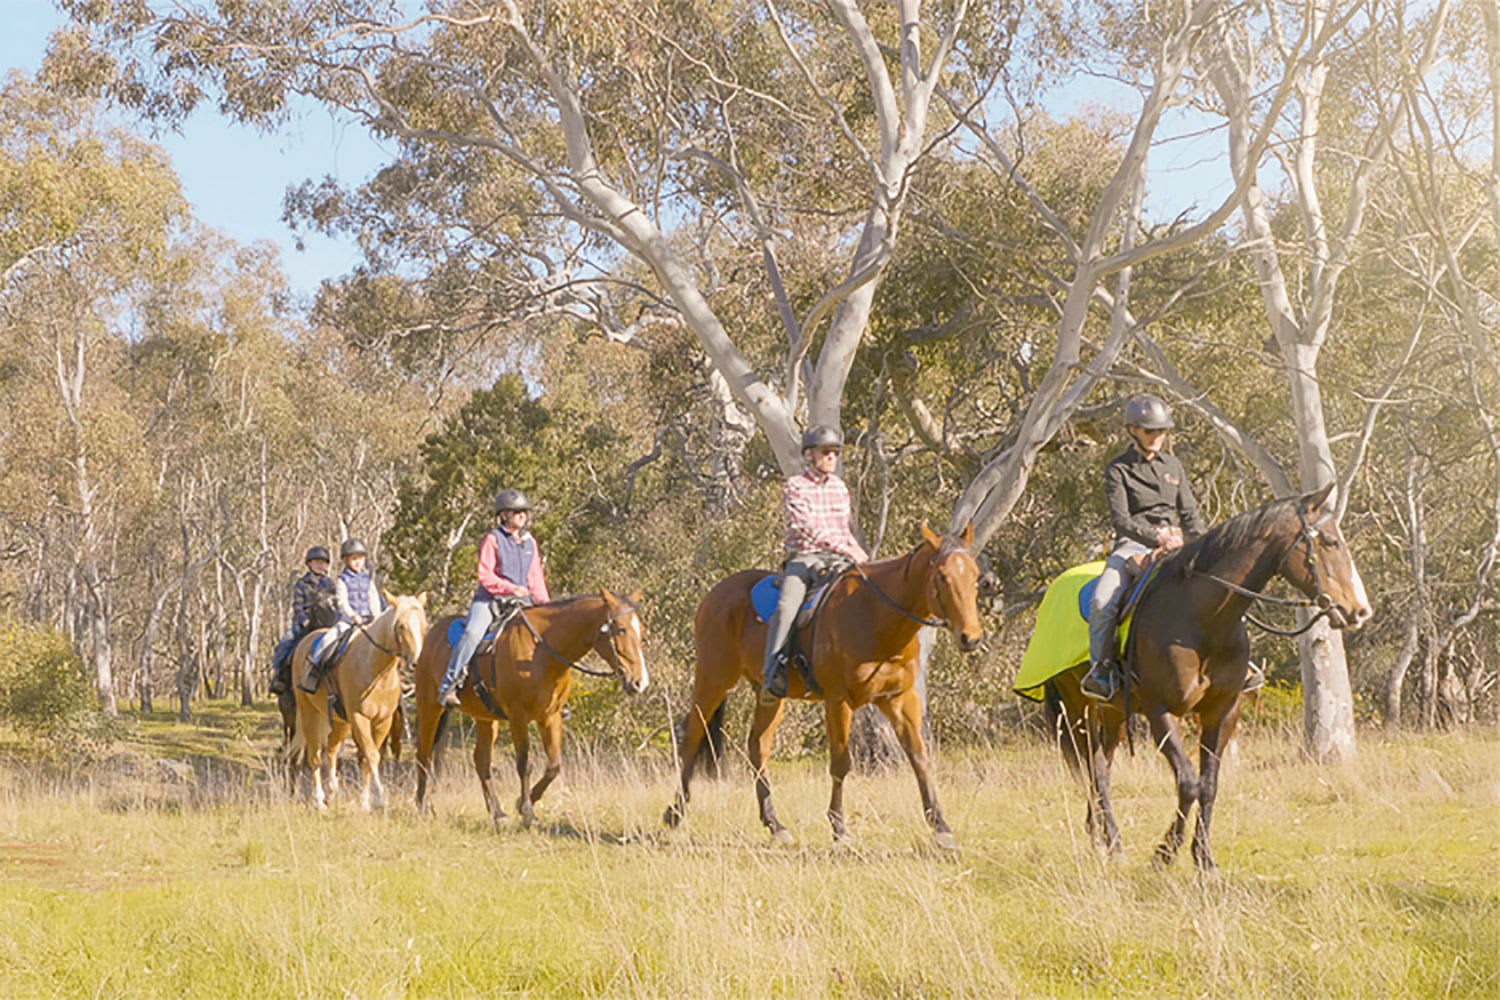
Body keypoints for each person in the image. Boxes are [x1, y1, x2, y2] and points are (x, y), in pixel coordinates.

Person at [1081, 394, 1208, 701]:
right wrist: (1156, 538)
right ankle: (1101, 672)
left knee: (1221, 580)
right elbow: (1121, 520)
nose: (1158, 437)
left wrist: (1204, 544)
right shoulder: (1118, 469)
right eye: (1151, 431)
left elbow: (1190, 514)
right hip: (1133, 544)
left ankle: (1239, 663)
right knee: (1102, 601)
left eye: (1162, 431)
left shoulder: (1173, 465)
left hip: (1176, 542)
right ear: (1133, 430)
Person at [760, 426, 869, 703]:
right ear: (809, 455)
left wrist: (857, 550)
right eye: (825, 452)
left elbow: (844, 528)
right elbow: (805, 527)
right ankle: (773, 673)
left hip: (840, 560)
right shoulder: (796, 486)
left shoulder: (839, 488)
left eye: (835, 452)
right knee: (787, 607)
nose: (831, 457)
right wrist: (845, 547)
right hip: (805, 558)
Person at [436, 489, 551, 708]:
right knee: (472, 634)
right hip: (489, 601)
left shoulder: (530, 542)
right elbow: (485, 575)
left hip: (521, 602)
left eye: (524, 511)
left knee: (547, 636)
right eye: (516, 512)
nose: (522, 515)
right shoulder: (493, 539)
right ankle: (449, 685)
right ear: (504, 515)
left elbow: (535, 577)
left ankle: (552, 692)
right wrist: (510, 588)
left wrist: (546, 606)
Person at [298, 538, 386, 692]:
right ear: (346, 561)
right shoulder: (342, 580)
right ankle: (312, 673)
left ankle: (400, 680)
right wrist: (352, 616)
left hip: (368, 621)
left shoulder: (368, 580)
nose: (357, 562)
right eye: (353, 559)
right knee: (326, 641)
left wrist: (376, 618)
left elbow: (373, 600)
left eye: (360, 558)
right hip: (347, 622)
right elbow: (342, 602)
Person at [267, 545, 335, 695]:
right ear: (309, 564)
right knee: (286, 641)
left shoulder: (330, 584)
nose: (320, 565)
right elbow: (298, 605)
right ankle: (278, 675)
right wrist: (304, 620)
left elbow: (334, 604)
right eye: (316, 562)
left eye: (323, 562)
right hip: (306, 622)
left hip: (325, 622)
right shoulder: (302, 583)